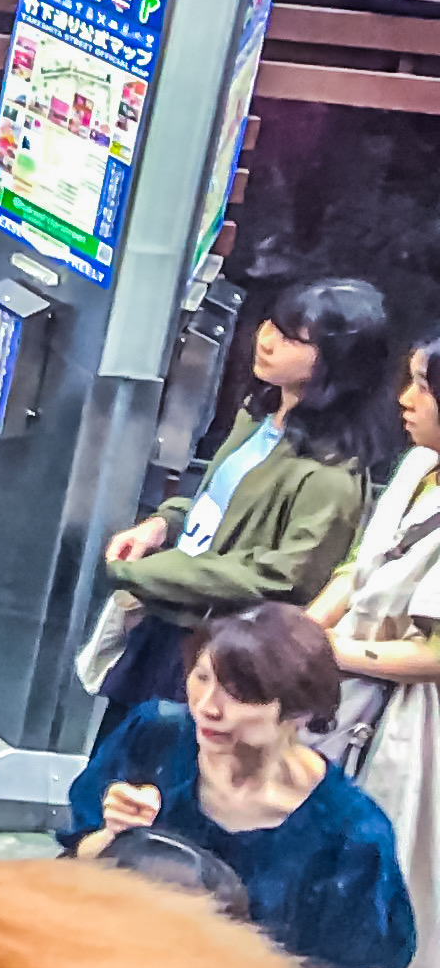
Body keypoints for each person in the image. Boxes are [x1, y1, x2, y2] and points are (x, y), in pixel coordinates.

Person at [82, 278, 403, 718]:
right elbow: (217, 505)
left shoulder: (331, 475)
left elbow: (283, 577)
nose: (266, 340)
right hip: (170, 624)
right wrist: (163, 524)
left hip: (220, 656)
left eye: (291, 339)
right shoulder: (259, 417)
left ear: (337, 363)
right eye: (271, 324)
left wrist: (156, 573)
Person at [65, 603, 418, 968]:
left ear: (299, 710)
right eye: (201, 677)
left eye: (240, 694)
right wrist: (113, 834)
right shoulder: (155, 735)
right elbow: (74, 861)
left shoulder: (350, 832)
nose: (207, 706)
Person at [317, 325, 440, 968]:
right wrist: (304, 632)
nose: (406, 400)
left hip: (414, 723)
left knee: (398, 870)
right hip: (345, 689)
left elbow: (434, 653)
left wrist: (340, 652)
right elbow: (357, 569)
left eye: (423, 385)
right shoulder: (415, 466)